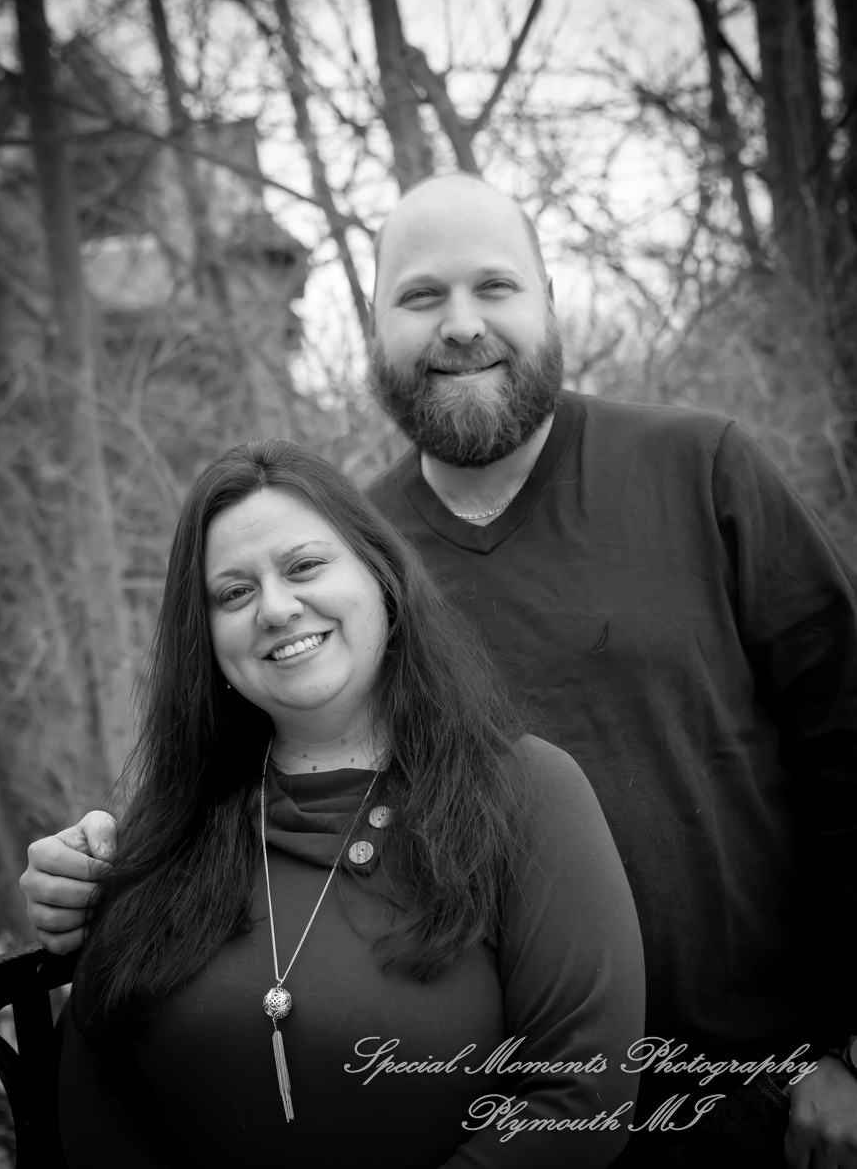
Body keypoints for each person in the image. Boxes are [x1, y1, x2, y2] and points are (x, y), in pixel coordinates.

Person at [23, 175, 857, 1166]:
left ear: (548, 300)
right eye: (420, 297)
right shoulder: (344, 563)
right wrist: (99, 873)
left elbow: (848, 744)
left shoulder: (701, 468)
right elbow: (258, 781)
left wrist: (841, 1043)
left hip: (758, 1102)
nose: (461, 325)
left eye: (494, 286)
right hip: (489, 1118)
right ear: (374, 328)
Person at [53, 437, 645, 1169]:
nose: (275, 608)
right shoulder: (172, 823)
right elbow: (97, 1087)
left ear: (382, 579)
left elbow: (581, 1097)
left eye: (304, 566)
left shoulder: (526, 794)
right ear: (206, 640)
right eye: (233, 593)